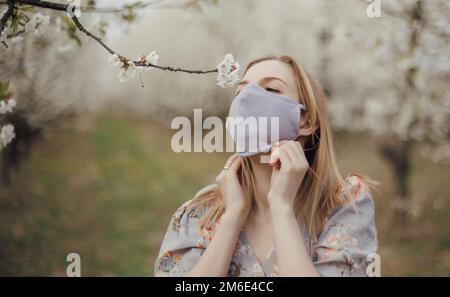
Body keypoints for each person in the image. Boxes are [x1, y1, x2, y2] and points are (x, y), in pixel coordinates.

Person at [154, 55, 378, 277]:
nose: (246, 99)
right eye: (240, 91)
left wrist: (281, 206)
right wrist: (233, 216)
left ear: (306, 121)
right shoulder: (200, 211)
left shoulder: (345, 201)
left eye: (271, 90)